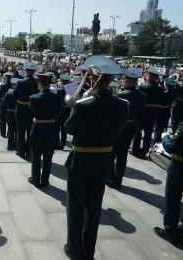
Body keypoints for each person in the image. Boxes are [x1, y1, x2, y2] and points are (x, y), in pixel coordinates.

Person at [63, 56, 128, 260]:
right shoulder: (122, 104)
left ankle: (75, 250)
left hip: (81, 160)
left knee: (75, 207)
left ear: (93, 78)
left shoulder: (83, 104)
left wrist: (75, 107)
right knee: (94, 208)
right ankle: (88, 251)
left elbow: (69, 129)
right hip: (103, 162)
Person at [108, 69, 147, 189]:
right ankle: (118, 179)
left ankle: (112, 178)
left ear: (129, 81)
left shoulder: (120, 95)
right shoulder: (143, 95)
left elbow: (113, 114)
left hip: (118, 128)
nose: (122, 81)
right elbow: (141, 113)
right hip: (131, 127)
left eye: (124, 79)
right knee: (123, 154)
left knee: (111, 154)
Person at [28, 72, 62, 187]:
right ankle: (45, 180)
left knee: (36, 156)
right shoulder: (57, 98)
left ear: (39, 83)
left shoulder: (33, 98)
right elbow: (58, 113)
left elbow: (32, 111)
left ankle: (36, 179)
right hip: (51, 128)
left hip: (37, 127)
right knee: (48, 157)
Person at [154, 122, 183, 245]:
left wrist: (165, 137)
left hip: (179, 168)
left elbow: (171, 147)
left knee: (173, 200)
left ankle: (171, 232)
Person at [132, 68, 163, 158]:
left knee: (138, 132)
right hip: (153, 112)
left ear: (149, 75)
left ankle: (135, 150)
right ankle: (144, 151)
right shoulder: (160, 88)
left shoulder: (143, 86)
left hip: (142, 112)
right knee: (148, 134)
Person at [13, 62, 39, 159]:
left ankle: (21, 152)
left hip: (20, 109)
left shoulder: (20, 82)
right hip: (32, 110)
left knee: (20, 132)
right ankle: (29, 151)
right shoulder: (38, 82)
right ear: (34, 71)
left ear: (26, 71)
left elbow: (14, 96)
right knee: (30, 132)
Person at [154, 77, 177, 143]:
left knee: (158, 128)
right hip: (167, 111)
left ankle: (157, 141)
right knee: (164, 127)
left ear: (166, 85)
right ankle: (163, 140)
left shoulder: (164, 93)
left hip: (160, 112)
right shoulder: (174, 93)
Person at [1, 78, 20, 151]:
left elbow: (3, 103)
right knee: (17, 130)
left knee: (10, 130)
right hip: (17, 113)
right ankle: (17, 145)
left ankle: (10, 146)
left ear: (12, 85)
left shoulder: (8, 94)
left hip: (9, 113)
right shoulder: (20, 94)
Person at [56, 73, 72, 150]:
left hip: (58, 112)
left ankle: (56, 144)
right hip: (67, 112)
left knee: (56, 128)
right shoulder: (72, 90)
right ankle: (63, 144)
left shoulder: (58, 90)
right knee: (64, 129)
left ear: (62, 81)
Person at [0, 73, 13, 137]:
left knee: (3, 119)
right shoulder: (13, 85)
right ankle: (8, 133)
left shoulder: (3, 85)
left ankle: (3, 133)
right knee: (10, 120)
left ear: (5, 78)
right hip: (11, 104)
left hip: (3, 103)